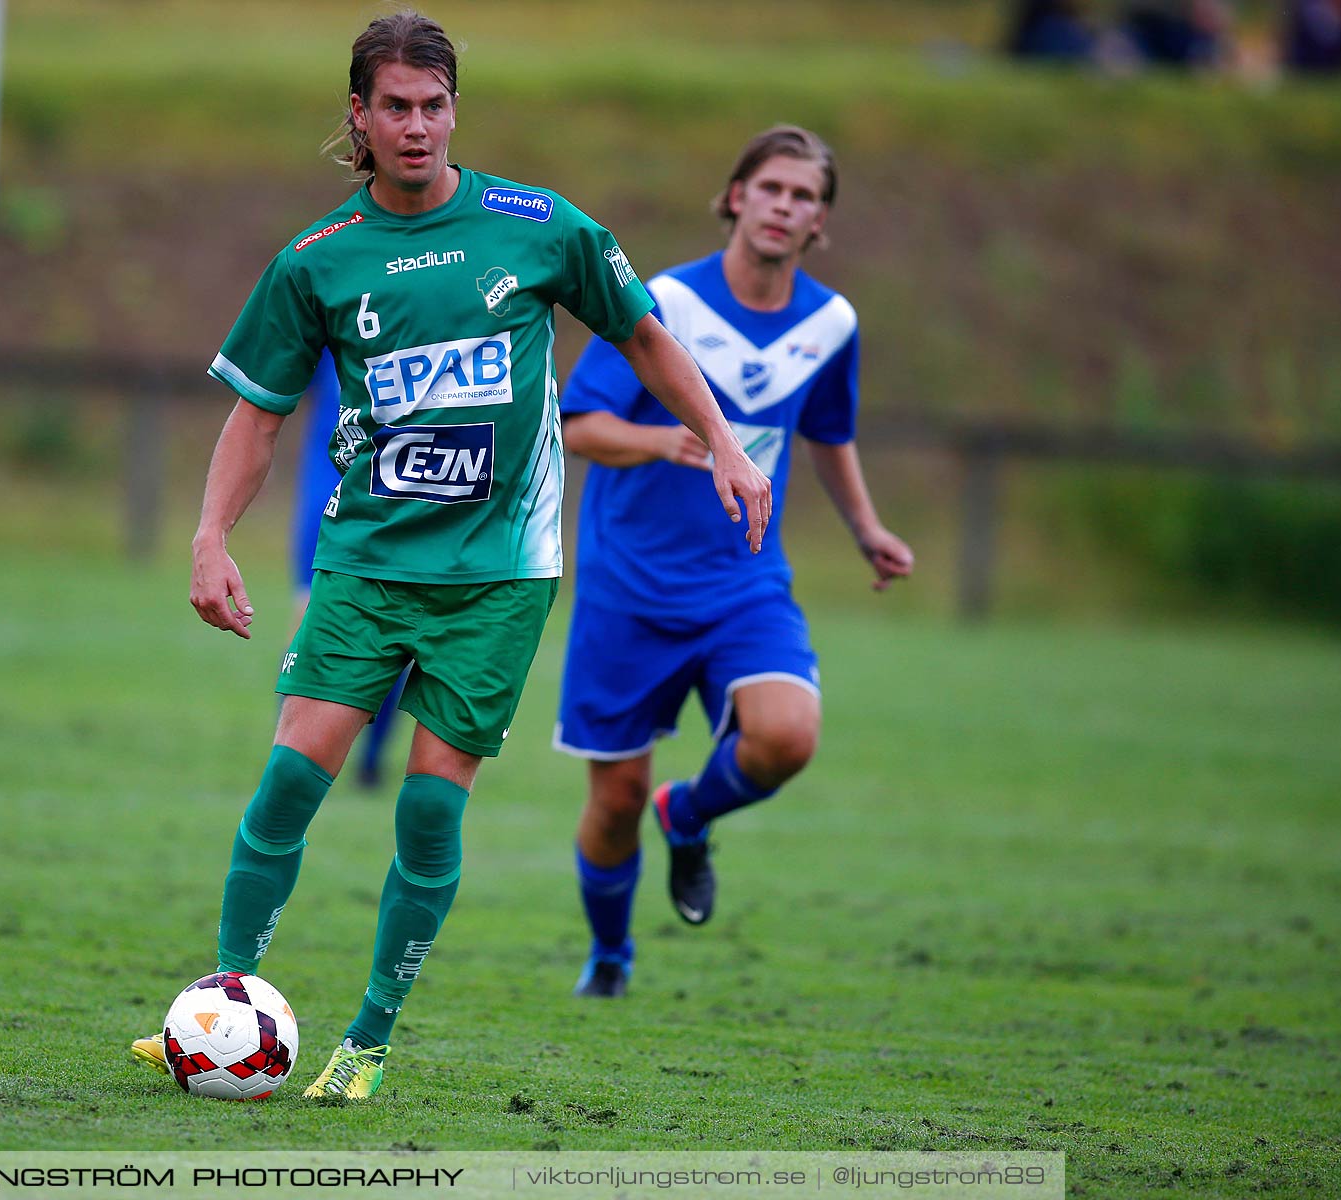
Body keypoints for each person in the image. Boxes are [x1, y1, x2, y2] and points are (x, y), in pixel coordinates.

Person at [130, 11, 770, 1101]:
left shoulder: (539, 226)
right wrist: (209, 536)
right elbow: (258, 415)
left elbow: (647, 337)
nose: (417, 126)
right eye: (395, 107)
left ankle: (368, 1042)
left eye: (434, 106)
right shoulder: (317, 262)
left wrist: (721, 444)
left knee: (430, 808)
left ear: (454, 111)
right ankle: (217, 1012)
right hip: (370, 560)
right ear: (359, 118)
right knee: (290, 780)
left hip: (500, 575)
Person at [552, 126, 913, 998]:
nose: (786, 206)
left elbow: (828, 431)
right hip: (629, 586)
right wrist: (662, 439)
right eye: (772, 188)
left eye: (806, 197)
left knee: (788, 735)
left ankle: (694, 812)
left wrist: (866, 526)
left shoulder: (830, 323)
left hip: (743, 581)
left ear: (820, 219)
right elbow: (576, 427)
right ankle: (610, 955)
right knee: (614, 802)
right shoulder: (663, 303)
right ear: (736, 196)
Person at [286, 348, 404, 789]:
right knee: (309, 620)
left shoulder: (423, 314)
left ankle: (370, 762)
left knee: (396, 628)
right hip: (326, 486)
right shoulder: (329, 304)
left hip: (398, 493)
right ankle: (293, 756)